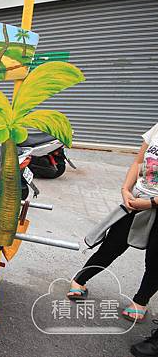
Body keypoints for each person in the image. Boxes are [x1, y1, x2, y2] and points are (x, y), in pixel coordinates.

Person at [67, 122, 158, 323]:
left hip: (152, 204)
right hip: (136, 201)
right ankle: (79, 281)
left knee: (155, 260)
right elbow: (138, 162)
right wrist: (126, 189)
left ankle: (140, 302)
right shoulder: (156, 128)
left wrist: (151, 203)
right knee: (111, 245)